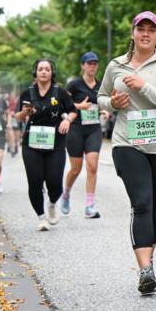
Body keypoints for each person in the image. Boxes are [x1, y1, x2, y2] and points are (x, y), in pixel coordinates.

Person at [97, 11, 156, 295]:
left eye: (151, 30)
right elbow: (101, 97)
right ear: (133, 33)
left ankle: (149, 258)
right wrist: (112, 102)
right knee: (142, 203)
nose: (145, 34)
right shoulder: (116, 65)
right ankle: (145, 270)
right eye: (140, 29)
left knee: (155, 206)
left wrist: (143, 87)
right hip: (127, 143)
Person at [15, 59, 77, 231]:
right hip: (32, 143)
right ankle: (41, 217)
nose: (43, 72)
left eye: (47, 69)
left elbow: (73, 110)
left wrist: (68, 121)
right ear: (35, 72)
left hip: (55, 143)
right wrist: (25, 113)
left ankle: (52, 203)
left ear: (52, 72)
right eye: (40, 69)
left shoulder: (60, 93)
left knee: (54, 181)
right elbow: (18, 117)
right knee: (35, 181)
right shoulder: (27, 93)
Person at [62, 52, 105, 219]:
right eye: (89, 63)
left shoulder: (101, 86)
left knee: (92, 166)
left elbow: (104, 103)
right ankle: (66, 194)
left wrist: (105, 110)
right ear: (82, 65)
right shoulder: (74, 85)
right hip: (75, 129)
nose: (92, 66)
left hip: (93, 129)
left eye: (95, 63)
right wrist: (79, 106)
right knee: (76, 169)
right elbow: (63, 105)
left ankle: (89, 206)